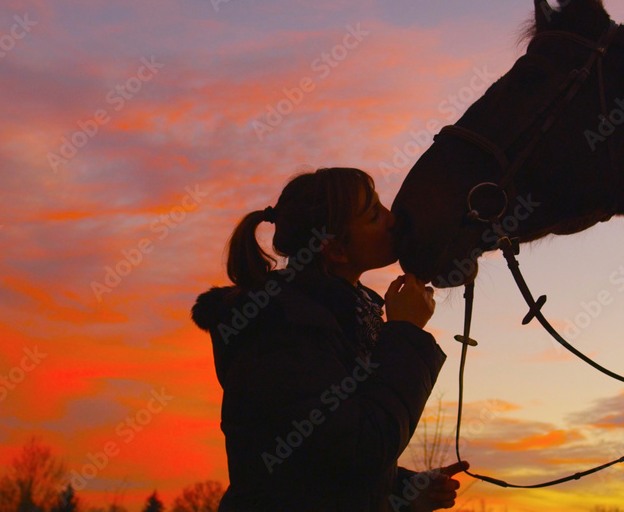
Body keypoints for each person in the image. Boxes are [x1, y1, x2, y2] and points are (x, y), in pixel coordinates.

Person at [191, 167, 468, 510]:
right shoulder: (281, 328)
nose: (392, 220)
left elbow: (321, 467)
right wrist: (407, 333)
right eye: (372, 215)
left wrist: (404, 490)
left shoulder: (341, 317)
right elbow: (357, 449)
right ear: (336, 249)